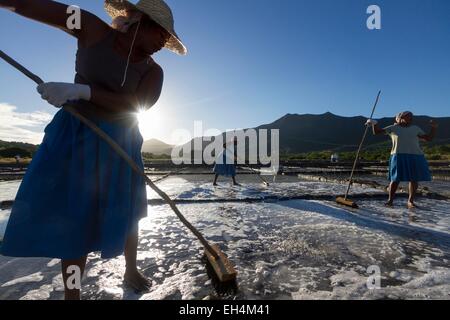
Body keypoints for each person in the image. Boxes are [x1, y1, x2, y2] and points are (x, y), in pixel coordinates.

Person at [0, 0, 186, 300]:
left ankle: (130, 268)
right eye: (161, 35)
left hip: (121, 141)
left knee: (128, 209)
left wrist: (79, 91)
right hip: (75, 135)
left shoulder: (154, 71)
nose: (163, 44)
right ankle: (72, 294)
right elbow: (28, 5)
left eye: (167, 40)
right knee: (73, 219)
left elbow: (135, 106)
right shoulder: (89, 28)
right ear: (140, 22)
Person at [366, 111, 438, 209]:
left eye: (411, 117)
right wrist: (375, 123)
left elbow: (428, 138)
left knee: (414, 179)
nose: (411, 119)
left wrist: (433, 128)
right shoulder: (393, 128)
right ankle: (390, 200)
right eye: (408, 117)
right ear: (400, 118)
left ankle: (410, 201)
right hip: (398, 155)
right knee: (395, 179)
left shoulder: (415, 128)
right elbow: (377, 132)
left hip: (415, 155)